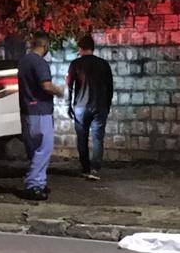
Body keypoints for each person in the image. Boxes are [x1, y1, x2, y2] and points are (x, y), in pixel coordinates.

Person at [18, 31, 64, 201]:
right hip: (41, 111)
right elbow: (46, 85)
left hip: (27, 111)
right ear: (45, 46)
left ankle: (40, 182)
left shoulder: (23, 61)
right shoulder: (40, 63)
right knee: (43, 149)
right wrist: (59, 91)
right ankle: (33, 185)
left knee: (34, 149)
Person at [66, 34, 113, 180]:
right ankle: (95, 169)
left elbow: (69, 86)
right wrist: (107, 105)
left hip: (81, 106)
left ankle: (85, 168)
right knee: (98, 138)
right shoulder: (104, 64)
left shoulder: (75, 64)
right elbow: (110, 88)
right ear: (93, 48)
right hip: (100, 106)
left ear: (80, 48)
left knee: (82, 138)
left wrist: (69, 105)